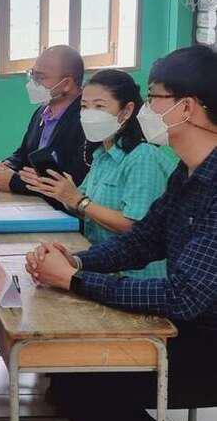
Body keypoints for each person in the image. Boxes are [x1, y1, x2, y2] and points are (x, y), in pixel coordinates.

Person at [26, 46, 217, 421]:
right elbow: (142, 241)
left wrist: (74, 281)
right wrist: (77, 262)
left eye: (153, 98)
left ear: (186, 107)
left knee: (87, 386)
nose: (147, 110)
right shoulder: (187, 174)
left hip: (206, 342)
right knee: (72, 377)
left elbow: (185, 295)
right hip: (188, 327)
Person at [20, 69, 175, 279]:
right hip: (100, 264)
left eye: (100, 106)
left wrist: (78, 200)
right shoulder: (101, 155)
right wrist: (61, 192)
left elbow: (136, 227)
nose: (89, 114)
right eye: (84, 106)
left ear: (126, 111)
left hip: (137, 279)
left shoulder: (142, 157)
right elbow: (84, 209)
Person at [0, 45, 88, 208]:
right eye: (32, 75)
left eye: (40, 77)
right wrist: (5, 166)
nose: (33, 83)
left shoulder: (86, 120)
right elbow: (24, 154)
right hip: (35, 205)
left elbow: (71, 181)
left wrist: (13, 182)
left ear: (67, 83)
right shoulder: (42, 112)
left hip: (66, 210)